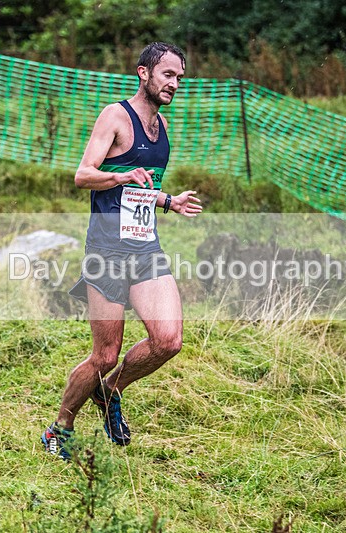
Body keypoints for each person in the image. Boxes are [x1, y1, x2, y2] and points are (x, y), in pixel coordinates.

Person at [41, 42, 202, 460]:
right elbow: (83, 175)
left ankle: (112, 391)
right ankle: (60, 428)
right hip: (107, 251)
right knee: (104, 354)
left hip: (145, 248)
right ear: (143, 73)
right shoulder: (116, 116)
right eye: (168, 74)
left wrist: (169, 201)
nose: (174, 83)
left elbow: (139, 191)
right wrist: (118, 177)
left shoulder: (162, 128)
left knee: (168, 340)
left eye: (180, 77)